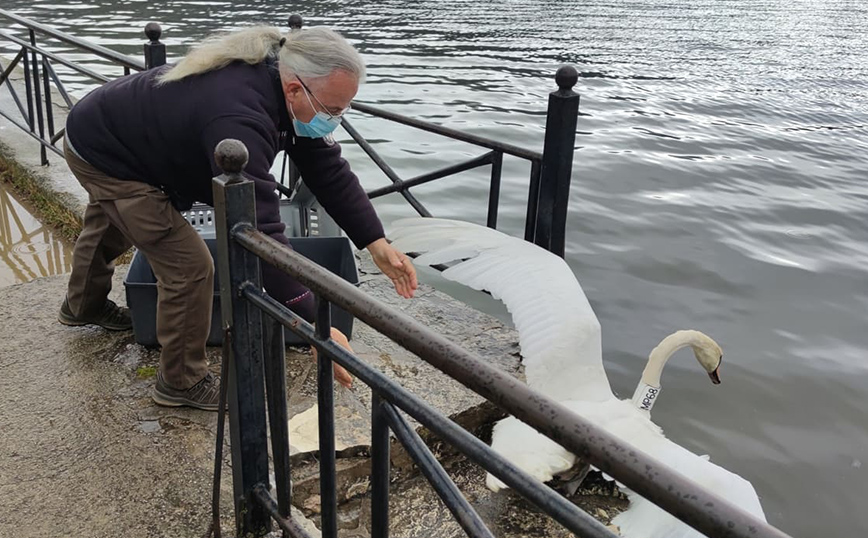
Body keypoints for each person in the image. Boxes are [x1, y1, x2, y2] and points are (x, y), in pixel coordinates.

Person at [58, 25, 418, 410]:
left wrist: (375, 241)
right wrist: (316, 324)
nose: (337, 119)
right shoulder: (240, 115)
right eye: (333, 110)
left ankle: (83, 306)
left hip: (114, 130)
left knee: (112, 222)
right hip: (104, 151)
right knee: (189, 267)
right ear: (296, 89)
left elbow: (328, 170)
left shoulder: (286, 88)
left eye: (344, 109)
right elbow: (258, 231)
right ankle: (180, 382)